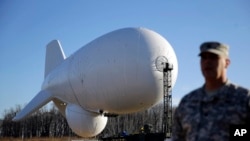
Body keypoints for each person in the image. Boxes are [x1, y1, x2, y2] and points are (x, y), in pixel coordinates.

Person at [172, 41, 250, 141]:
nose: (207, 61)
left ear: (227, 63)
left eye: (213, 57)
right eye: (204, 57)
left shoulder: (243, 99)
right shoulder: (187, 102)